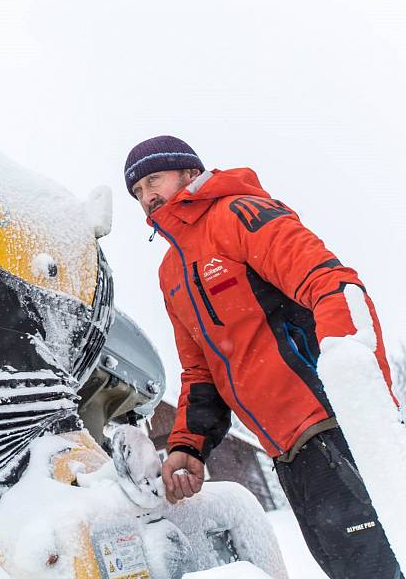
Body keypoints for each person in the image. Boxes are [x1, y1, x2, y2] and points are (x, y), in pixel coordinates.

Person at [123, 135, 401, 579]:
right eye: (137, 192)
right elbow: (201, 371)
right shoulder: (171, 271)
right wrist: (187, 447)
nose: (146, 197)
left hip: (330, 424)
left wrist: (357, 389)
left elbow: (332, 284)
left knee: (376, 565)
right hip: (286, 450)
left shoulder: (239, 214)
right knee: (345, 567)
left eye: (153, 180)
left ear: (190, 173)